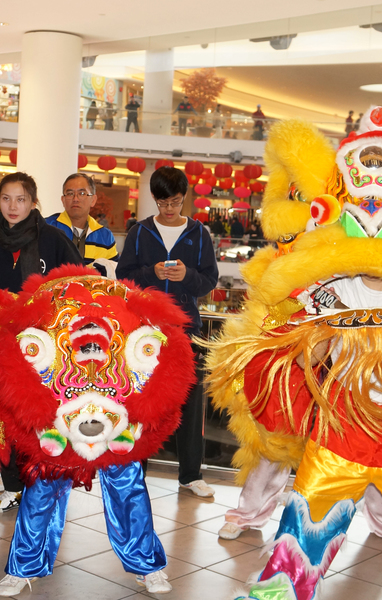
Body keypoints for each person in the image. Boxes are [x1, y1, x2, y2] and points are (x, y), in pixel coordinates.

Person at [0, 172, 83, 517]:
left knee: (41, 417)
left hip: (46, 345)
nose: (13, 206)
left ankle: (45, 485)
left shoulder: (53, 240)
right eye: (6, 199)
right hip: (3, 343)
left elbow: (76, 286)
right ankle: (14, 486)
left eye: (20, 199)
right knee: (5, 417)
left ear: (33, 202)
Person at [116, 166, 219, 498]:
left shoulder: (199, 233)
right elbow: (123, 277)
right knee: (144, 400)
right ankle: (136, 469)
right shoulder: (140, 232)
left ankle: (191, 474)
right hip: (146, 328)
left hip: (186, 327)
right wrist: (152, 273)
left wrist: (186, 276)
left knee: (189, 403)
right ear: (154, 199)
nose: (169, 209)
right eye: (163, 203)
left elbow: (209, 281)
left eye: (175, 202)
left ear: (184, 197)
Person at [45, 173, 117, 274]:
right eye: (70, 193)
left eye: (82, 193)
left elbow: (114, 274)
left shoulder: (105, 237)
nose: (75, 199)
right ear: (63, 200)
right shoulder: (47, 228)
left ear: (93, 200)